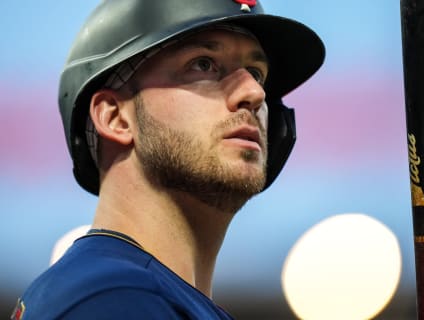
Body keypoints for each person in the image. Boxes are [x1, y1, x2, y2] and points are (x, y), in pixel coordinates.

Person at [11, 0, 325, 319]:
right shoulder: (113, 299)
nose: (254, 93)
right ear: (115, 117)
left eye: (256, 73)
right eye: (204, 64)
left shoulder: (130, 294)